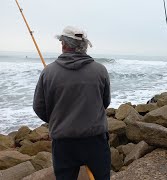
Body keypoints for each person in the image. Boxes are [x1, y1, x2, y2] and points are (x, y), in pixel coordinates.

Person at [33, 26, 111, 180]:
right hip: (95, 140)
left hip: (63, 143)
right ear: (84, 46)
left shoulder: (48, 72)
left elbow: (39, 107)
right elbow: (105, 102)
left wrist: (58, 120)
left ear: (64, 44)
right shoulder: (100, 70)